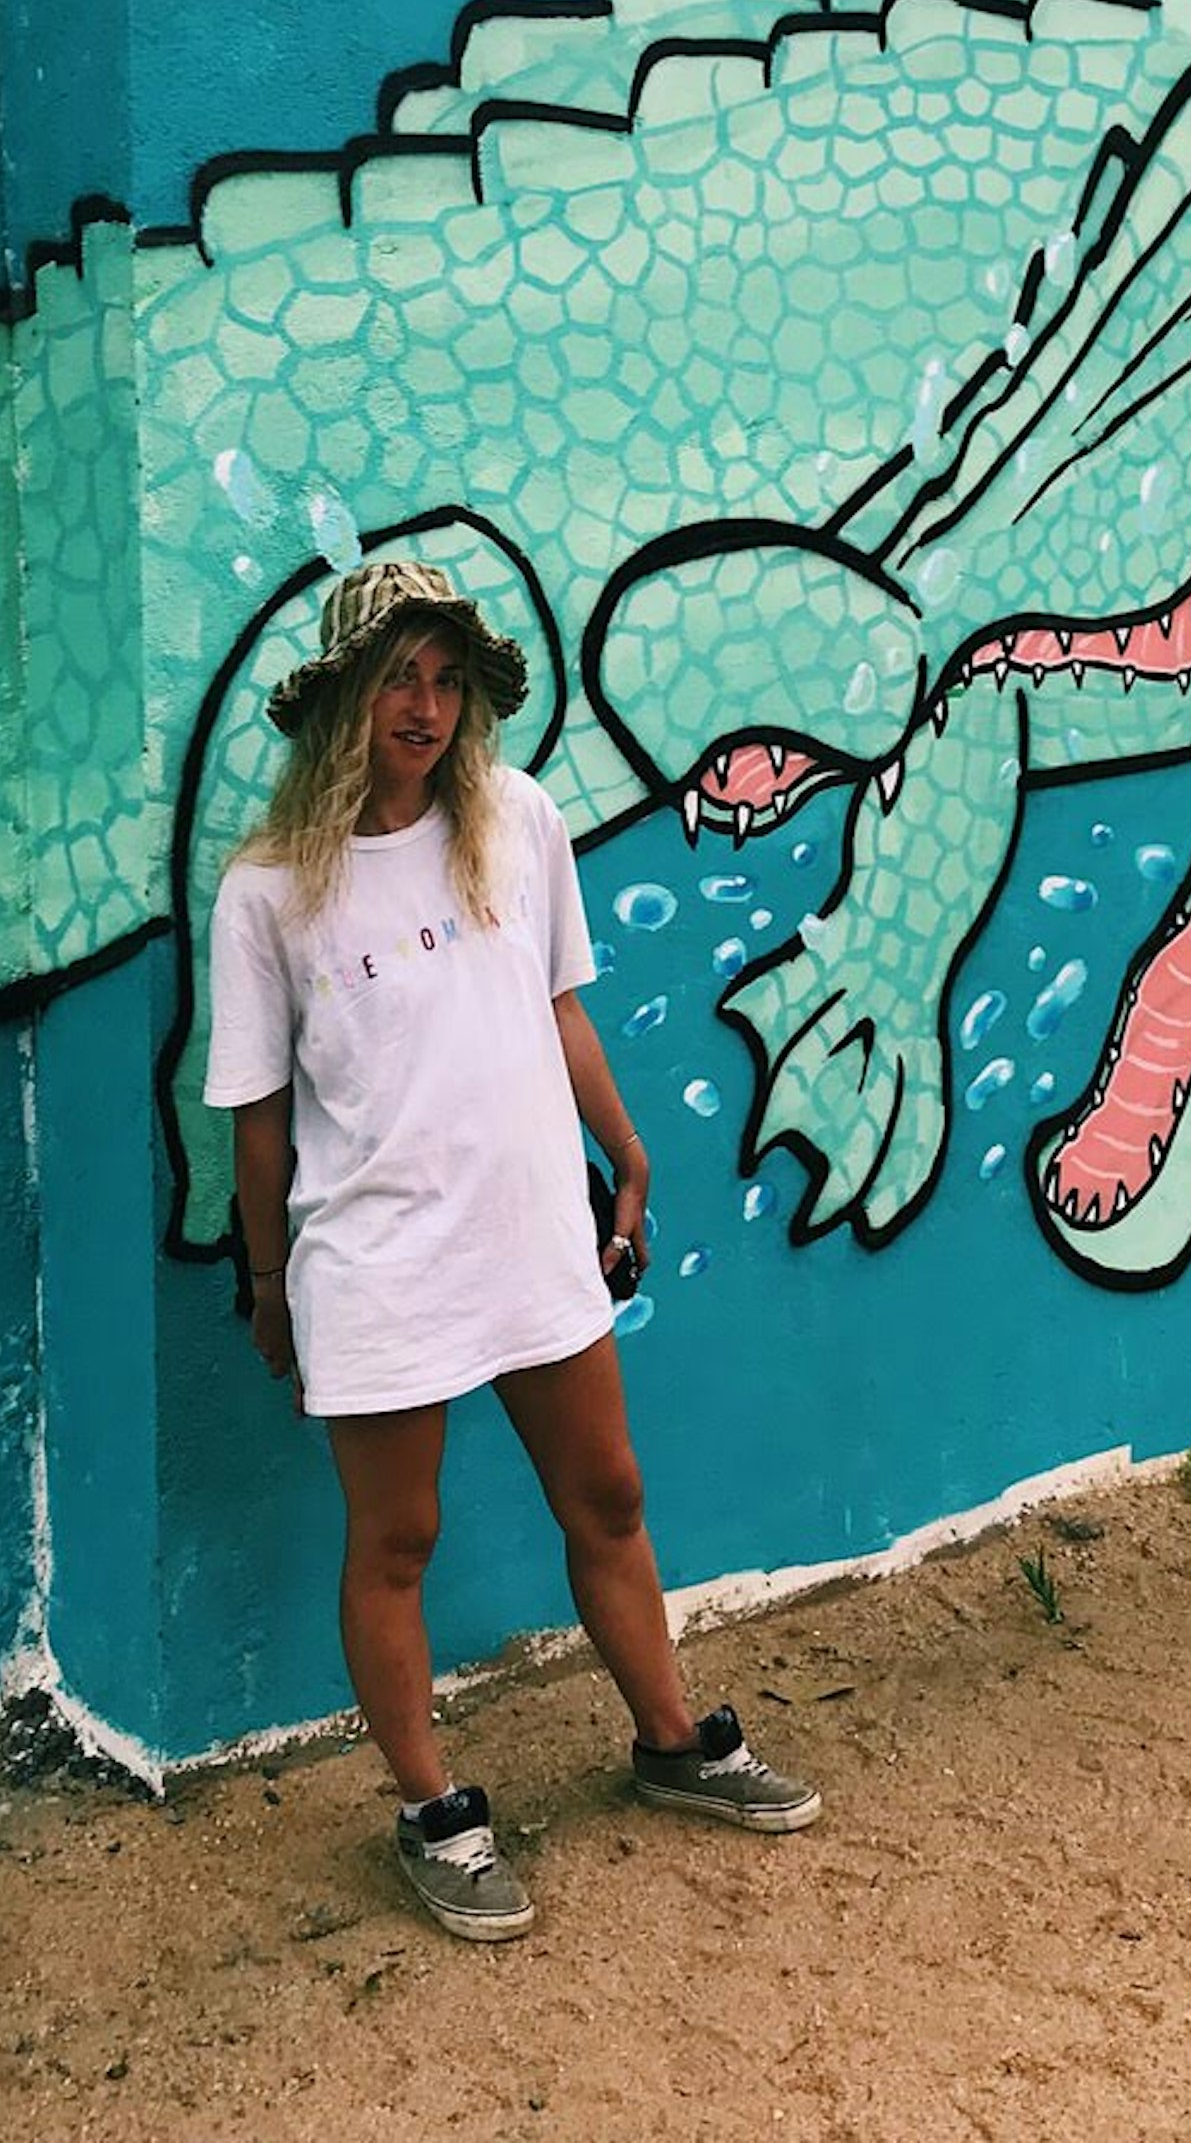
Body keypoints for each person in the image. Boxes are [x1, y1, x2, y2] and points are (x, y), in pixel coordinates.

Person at [201, 558, 821, 1941]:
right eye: (396, 678)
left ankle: (671, 1742)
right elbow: (256, 1125)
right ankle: (433, 1810)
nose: (424, 707)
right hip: (374, 1260)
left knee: (607, 1493)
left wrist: (630, 1152)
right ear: (344, 700)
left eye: (445, 679)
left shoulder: (518, 821)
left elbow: (561, 1010)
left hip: (533, 1230)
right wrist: (263, 1284)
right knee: (398, 1540)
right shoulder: (267, 896)